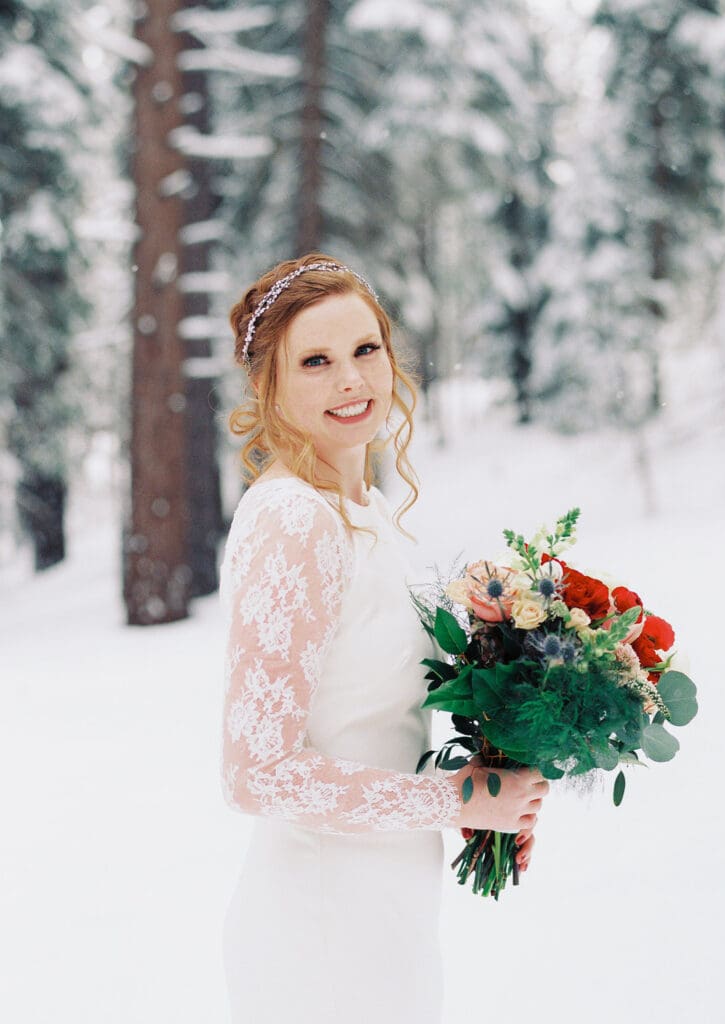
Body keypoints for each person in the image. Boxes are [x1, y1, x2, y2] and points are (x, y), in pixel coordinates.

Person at [219, 253, 548, 1023]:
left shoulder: (361, 514)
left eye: (365, 350)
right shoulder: (296, 520)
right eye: (317, 361)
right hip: (324, 923)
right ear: (270, 384)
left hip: (387, 908)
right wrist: (453, 797)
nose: (351, 381)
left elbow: (377, 716)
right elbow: (254, 773)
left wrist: (486, 794)